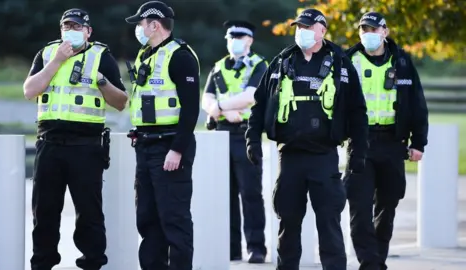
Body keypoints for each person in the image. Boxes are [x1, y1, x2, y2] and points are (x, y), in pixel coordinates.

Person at [245, 8, 369, 270]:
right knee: (288, 225)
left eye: (307, 27)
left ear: (322, 30)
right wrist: (252, 140)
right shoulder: (281, 62)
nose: (301, 32)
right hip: (289, 157)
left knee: (329, 225)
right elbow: (259, 104)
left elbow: (358, 111)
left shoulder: (340, 63)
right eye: (298, 27)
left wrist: (358, 151)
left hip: (324, 157)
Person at [23, 8, 128, 270]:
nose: (71, 31)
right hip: (49, 144)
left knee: (89, 215)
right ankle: (42, 264)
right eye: (66, 27)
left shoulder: (101, 56)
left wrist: (102, 82)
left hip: (86, 147)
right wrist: (57, 61)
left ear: (88, 31)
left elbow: (121, 102)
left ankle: (92, 264)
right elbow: (29, 91)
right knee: (44, 212)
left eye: (77, 27)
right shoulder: (47, 54)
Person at [344, 12, 429, 270]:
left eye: (373, 29)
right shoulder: (349, 61)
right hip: (360, 142)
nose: (367, 34)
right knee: (359, 208)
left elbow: (417, 104)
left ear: (385, 32)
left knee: (387, 206)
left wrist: (419, 142)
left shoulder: (402, 61)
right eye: (363, 30)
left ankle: (376, 260)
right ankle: (370, 264)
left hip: (393, 143)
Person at [124, 1, 200, 269]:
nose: (139, 29)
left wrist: (177, 149)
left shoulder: (180, 56)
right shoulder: (146, 54)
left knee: (174, 219)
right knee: (147, 219)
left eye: (141, 24)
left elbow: (191, 109)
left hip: (169, 148)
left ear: (154, 24)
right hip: (145, 146)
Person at [201, 20, 268, 263]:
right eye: (230, 37)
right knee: (224, 195)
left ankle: (256, 248)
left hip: (246, 134)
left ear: (249, 40)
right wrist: (219, 109)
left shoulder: (260, 65)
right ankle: (231, 248)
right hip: (220, 134)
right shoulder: (219, 66)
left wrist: (218, 107)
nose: (233, 41)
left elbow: (251, 95)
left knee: (250, 194)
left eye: (239, 37)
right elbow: (205, 98)